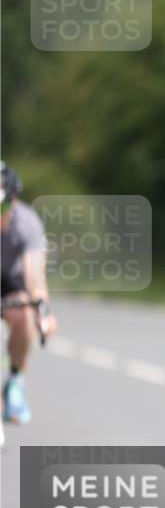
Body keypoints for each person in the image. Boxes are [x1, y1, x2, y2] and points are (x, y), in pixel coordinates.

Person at [1, 161, 58, 424]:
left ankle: (15, 380)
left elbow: (34, 279)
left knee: (24, 313)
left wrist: (43, 312)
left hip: (11, 281)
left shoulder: (27, 225)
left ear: (13, 202)